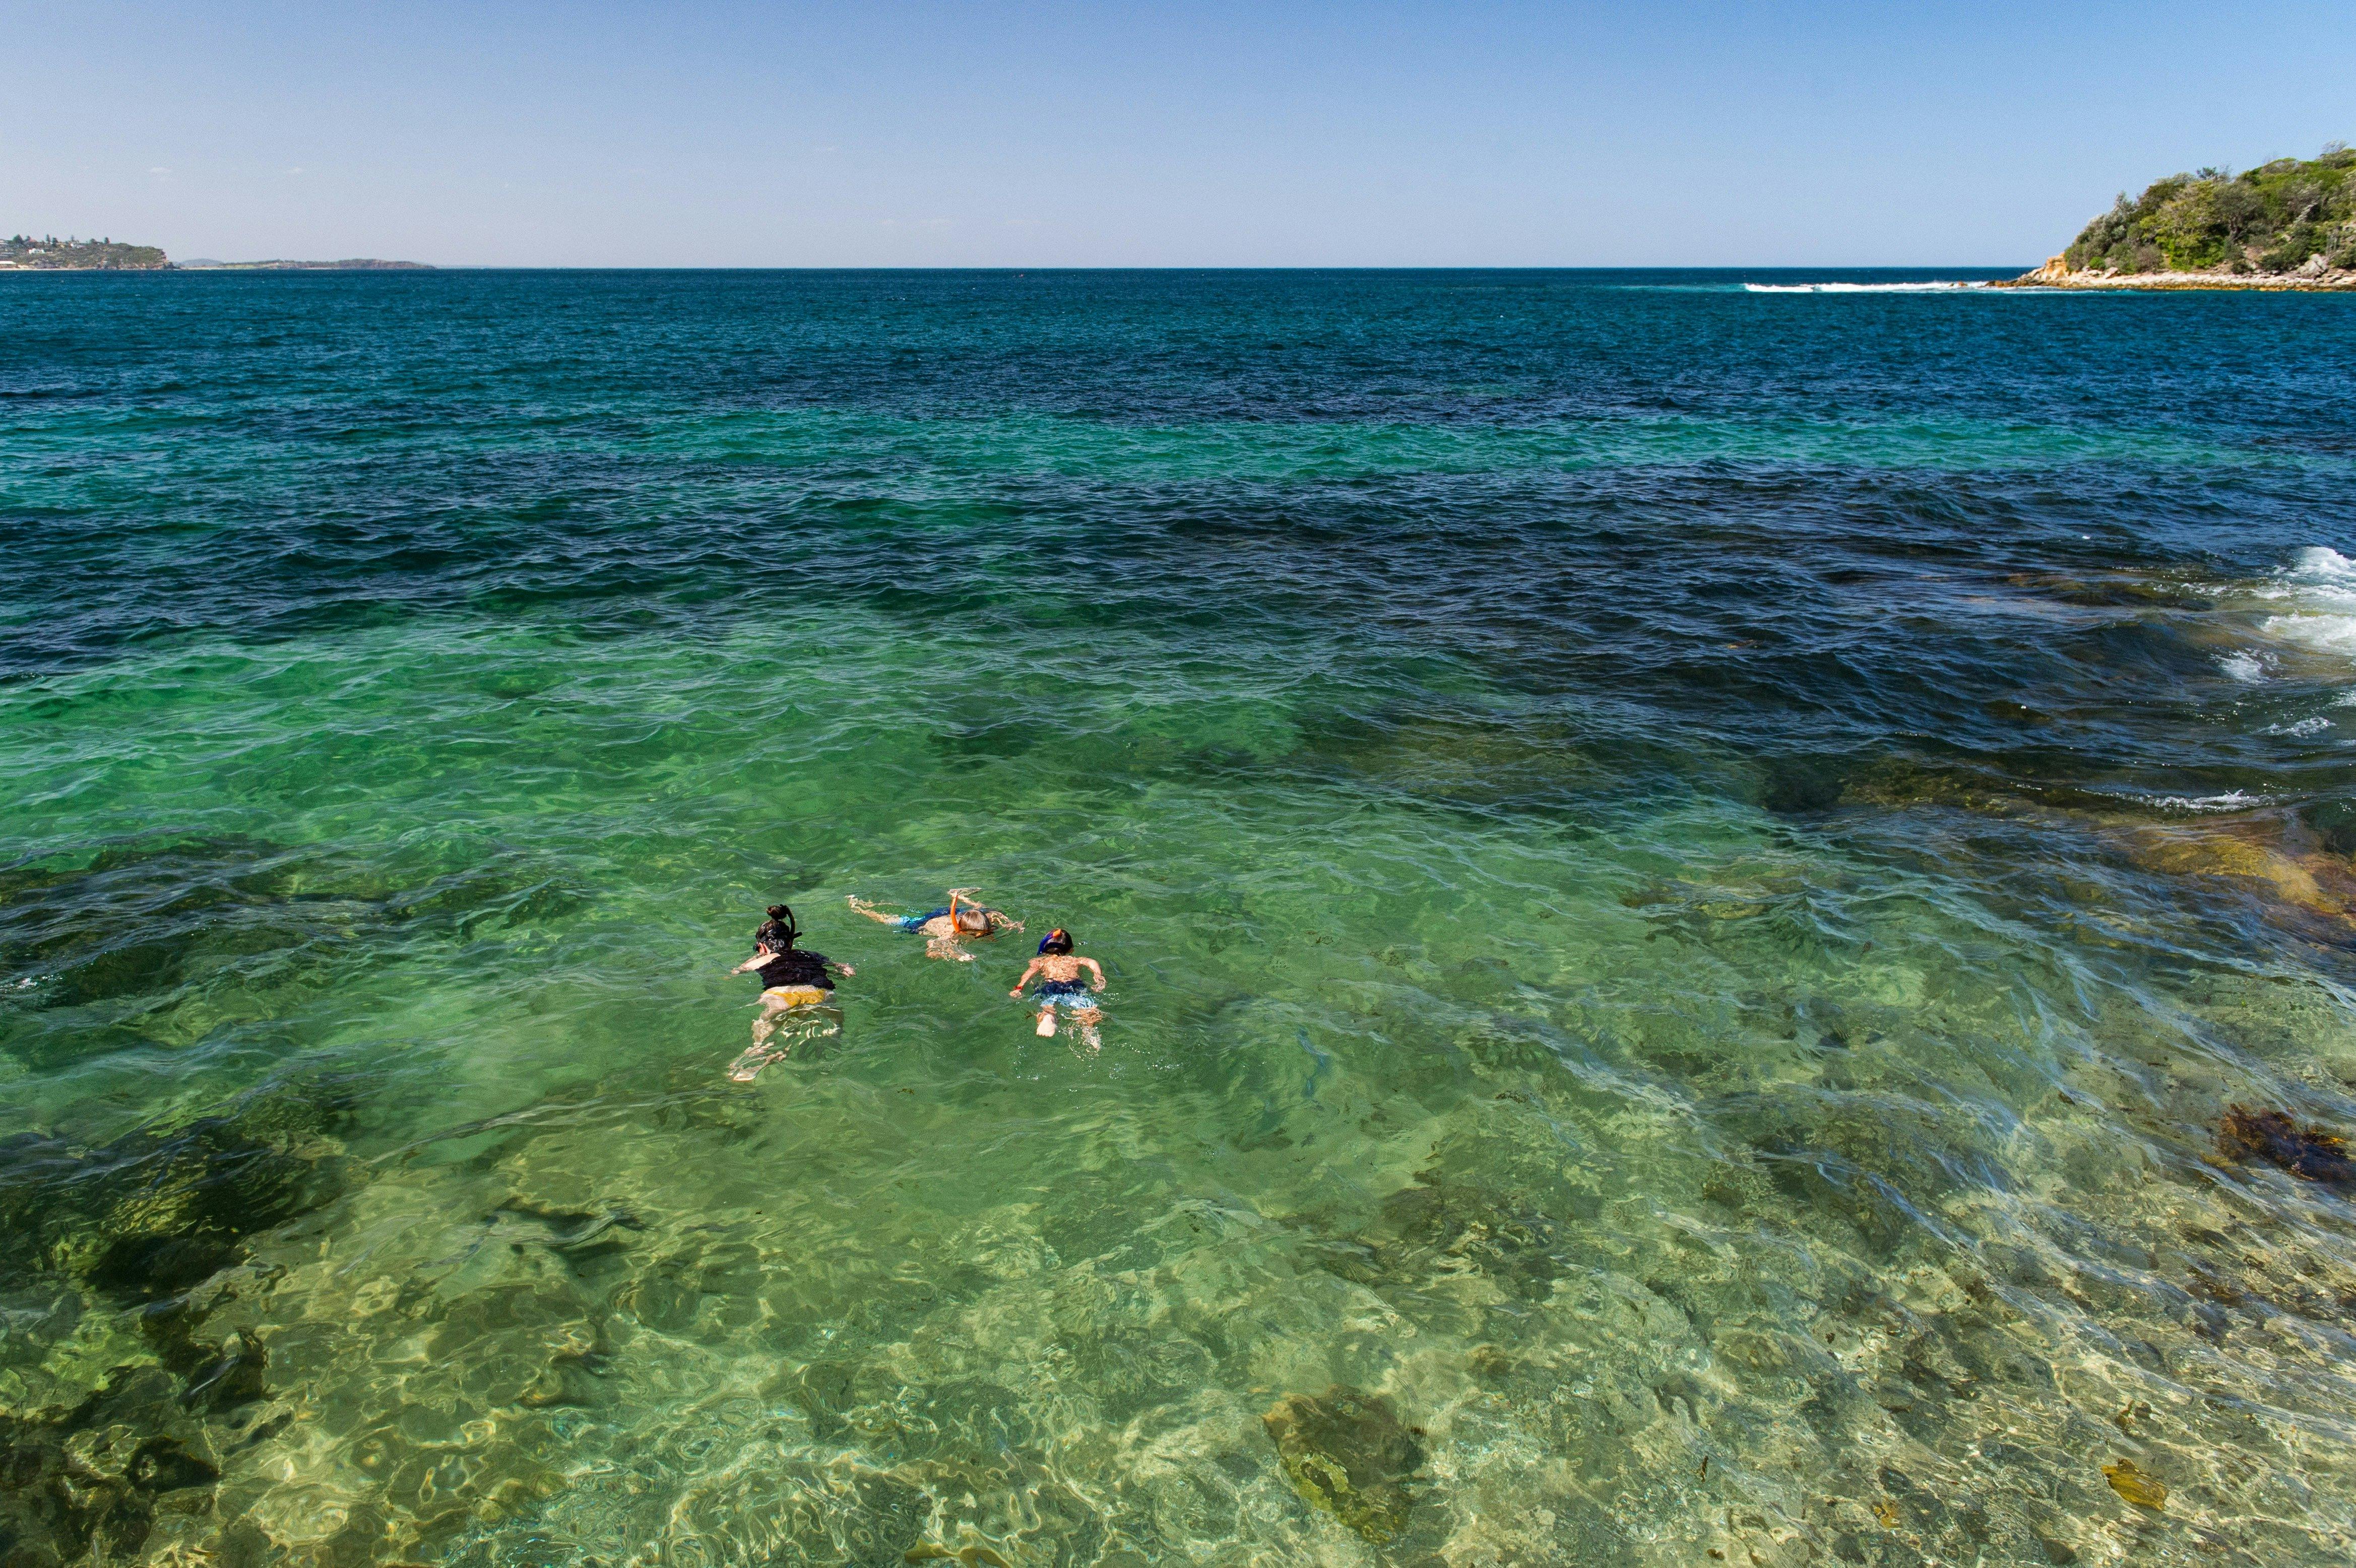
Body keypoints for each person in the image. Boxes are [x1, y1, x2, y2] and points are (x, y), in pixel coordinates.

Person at [727, 904, 853, 1081]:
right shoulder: (811, 955)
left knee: (765, 1028)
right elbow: (844, 969)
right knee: (836, 1023)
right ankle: (833, 1040)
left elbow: (735, 972)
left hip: (781, 996)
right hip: (817, 993)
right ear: (791, 942)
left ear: (762, 947)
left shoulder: (761, 960)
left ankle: (757, 1052)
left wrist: (755, 958)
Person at [846, 887, 1021, 962]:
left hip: (949, 913)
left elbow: (995, 913)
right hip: (926, 923)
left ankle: (958, 895)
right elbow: (931, 951)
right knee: (892, 920)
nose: (983, 935)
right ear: (964, 931)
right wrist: (957, 955)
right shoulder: (951, 934)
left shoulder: (983, 920)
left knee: (980, 908)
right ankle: (859, 907)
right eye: (980, 934)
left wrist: (1011, 924)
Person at [1009, 929, 1106, 1048]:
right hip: (1073, 986)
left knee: (1047, 1008)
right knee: (1089, 1012)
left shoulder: (1040, 962)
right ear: (1071, 950)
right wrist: (1098, 977)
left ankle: (1049, 1018)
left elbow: (1029, 973)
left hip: (1050, 987)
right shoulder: (1075, 960)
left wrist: (1019, 987)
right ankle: (1090, 1033)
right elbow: (1092, 962)